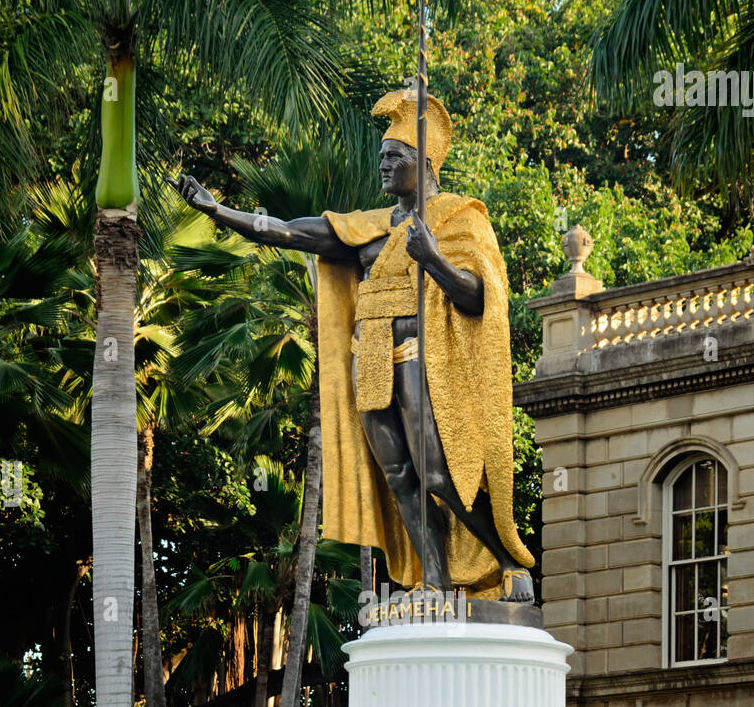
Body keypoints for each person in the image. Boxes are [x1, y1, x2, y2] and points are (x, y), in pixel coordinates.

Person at [175, 89, 534, 600]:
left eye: (395, 157)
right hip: (369, 360)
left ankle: (505, 561)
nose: (383, 166)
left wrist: (433, 259)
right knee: (400, 475)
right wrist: (219, 211)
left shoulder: (459, 218)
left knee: (437, 471)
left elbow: (481, 298)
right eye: (381, 157)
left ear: (425, 161)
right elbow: (285, 232)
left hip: (420, 357)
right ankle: (432, 580)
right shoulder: (367, 227)